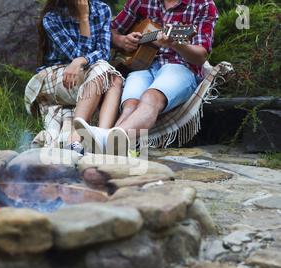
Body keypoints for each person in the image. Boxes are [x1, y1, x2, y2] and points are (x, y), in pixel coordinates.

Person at [75, 0, 219, 156]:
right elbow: (108, 31)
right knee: (130, 105)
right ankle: (112, 147)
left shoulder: (203, 4)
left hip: (179, 67)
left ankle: (104, 141)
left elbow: (201, 56)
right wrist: (122, 41)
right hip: (141, 66)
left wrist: (175, 44)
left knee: (151, 98)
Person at [25, 0, 123, 154]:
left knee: (114, 79)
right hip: (58, 75)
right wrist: (84, 18)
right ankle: (75, 139)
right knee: (105, 72)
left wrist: (81, 61)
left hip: (90, 71)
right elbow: (77, 54)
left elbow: (103, 52)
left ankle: (101, 136)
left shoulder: (102, 9)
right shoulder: (52, 18)